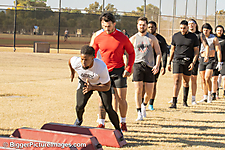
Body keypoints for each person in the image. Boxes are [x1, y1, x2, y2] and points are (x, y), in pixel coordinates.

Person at [92, 13, 135, 131]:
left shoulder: (122, 37)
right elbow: (93, 55)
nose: (107, 29)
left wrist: (128, 68)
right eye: (105, 26)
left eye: (109, 26)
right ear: (102, 24)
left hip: (119, 72)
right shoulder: (98, 38)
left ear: (114, 24)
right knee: (102, 99)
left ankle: (123, 122)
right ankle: (101, 123)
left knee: (121, 98)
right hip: (103, 72)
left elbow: (131, 53)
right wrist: (93, 69)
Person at [68, 45, 122, 134]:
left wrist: (93, 88)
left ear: (93, 58)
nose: (83, 63)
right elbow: (70, 61)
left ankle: (118, 130)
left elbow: (107, 86)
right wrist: (72, 72)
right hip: (85, 83)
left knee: (108, 107)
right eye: (82, 59)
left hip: (101, 84)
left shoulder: (101, 67)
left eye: (86, 60)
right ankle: (79, 120)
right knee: (79, 106)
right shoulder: (76, 62)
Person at [129, 17, 161, 121]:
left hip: (149, 67)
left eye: (143, 25)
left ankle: (144, 104)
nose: (142, 26)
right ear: (137, 25)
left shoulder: (152, 38)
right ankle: (138, 112)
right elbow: (128, 54)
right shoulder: (133, 39)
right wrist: (128, 67)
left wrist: (157, 65)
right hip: (137, 65)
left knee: (149, 92)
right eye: (140, 24)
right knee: (138, 90)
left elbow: (159, 53)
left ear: (146, 26)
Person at [168, 20, 199, 109]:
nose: (182, 30)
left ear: (187, 28)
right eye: (181, 28)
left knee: (186, 82)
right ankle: (174, 102)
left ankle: (185, 101)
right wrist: (169, 62)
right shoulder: (176, 36)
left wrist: (193, 62)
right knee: (177, 81)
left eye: (184, 28)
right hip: (177, 60)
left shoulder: (193, 37)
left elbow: (196, 51)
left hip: (188, 61)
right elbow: (172, 50)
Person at [198, 23, 222, 103]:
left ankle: (210, 94)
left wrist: (219, 61)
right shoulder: (201, 37)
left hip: (211, 60)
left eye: (206, 30)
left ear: (210, 30)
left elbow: (218, 50)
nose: (205, 32)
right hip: (202, 59)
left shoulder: (214, 38)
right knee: (203, 79)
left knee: (207, 77)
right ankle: (205, 96)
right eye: (204, 30)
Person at [147, 20, 168, 110]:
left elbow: (164, 53)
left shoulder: (161, 39)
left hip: (156, 64)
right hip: (145, 64)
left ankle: (151, 103)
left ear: (156, 28)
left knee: (153, 84)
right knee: (144, 85)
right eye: (149, 27)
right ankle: (143, 102)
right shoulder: (145, 37)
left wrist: (163, 66)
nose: (150, 29)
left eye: (152, 27)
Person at [188, 19, 209, 105]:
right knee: (180, 79)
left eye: (192, 24)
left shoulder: (200, 35)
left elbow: (206, 45)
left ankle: (193, 99)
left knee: (193, 79)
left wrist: (206, 55)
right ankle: (176, 98)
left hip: (195, 60)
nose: (191, 25)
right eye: (189, 24)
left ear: (196, 25)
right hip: (184, 58)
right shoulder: (185, 34)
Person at [212, 25, 225, 100]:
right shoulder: (213, 38)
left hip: (224, 60)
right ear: (215, 31)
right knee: (214, 78)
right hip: (214, 60)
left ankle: (224, 92)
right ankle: (214, 93)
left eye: (221, 30)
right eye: (218, 30)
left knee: (224, 78)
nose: (219, 32)